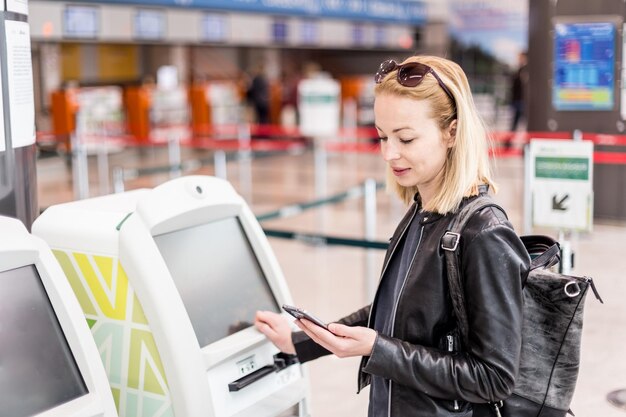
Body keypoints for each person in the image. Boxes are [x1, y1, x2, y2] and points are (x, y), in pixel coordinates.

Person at [255, 55, 530, 417]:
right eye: (383, 136)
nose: (389, 153)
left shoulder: (484, 232)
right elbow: (397, 312)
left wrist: (379, 350)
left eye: (406, 138)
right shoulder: (422, 210)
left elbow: (494, 377)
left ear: (452, 132)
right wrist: (301, 342)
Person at [510, 51, 528, 132]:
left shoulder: (525, 70)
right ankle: (508, 141)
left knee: (519, 122)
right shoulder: (519, 70)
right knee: (515, 122)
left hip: (521, 100)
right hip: (517, 100)